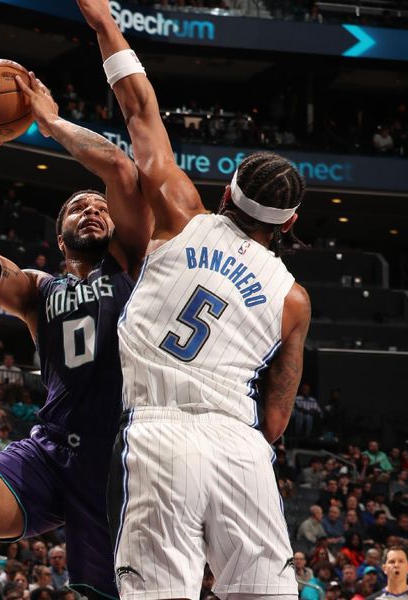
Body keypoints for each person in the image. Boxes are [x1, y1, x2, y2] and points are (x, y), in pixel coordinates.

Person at [75, 2, 311, 598]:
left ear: (227, 189)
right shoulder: (294, 300)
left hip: (159, 433)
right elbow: (277, 416)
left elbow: (139, 110)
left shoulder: (182, 214)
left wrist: (106, 24)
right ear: (289, 223)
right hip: (242, 447)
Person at [0, 65, 150, 600]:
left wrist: (51, 121)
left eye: (99, 206)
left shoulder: (136, 267)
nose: (91, 209)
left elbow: (119, 170)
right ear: (60, 234)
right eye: (77, 207)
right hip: (48, 451)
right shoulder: (37, 290)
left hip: (118, 460)